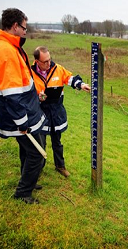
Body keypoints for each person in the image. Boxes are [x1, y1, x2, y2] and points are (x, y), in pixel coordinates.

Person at [0, 8, 46, 204]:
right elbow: (12, 93)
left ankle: (28, 180)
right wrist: (22, 122)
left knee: (27, 150)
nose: (25, 32)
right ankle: (23, 192)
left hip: (21, 111)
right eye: (23, 28)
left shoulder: (6, 46)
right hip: (18, 115)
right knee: (36, 154)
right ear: (14, 26)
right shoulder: (5, 51)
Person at [31, 46, 90, 178]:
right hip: (41, 113)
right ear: (37, 61)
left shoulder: (57, 69)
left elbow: (70, 78)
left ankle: (60, 166)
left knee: (57, 142)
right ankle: (38, 168)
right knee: (41, 143)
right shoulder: (30, 72)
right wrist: (37, 98)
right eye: (45, 61)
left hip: (56, 112)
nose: (48, 63)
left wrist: (81, 85)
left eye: (49, 60)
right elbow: (26, 93)